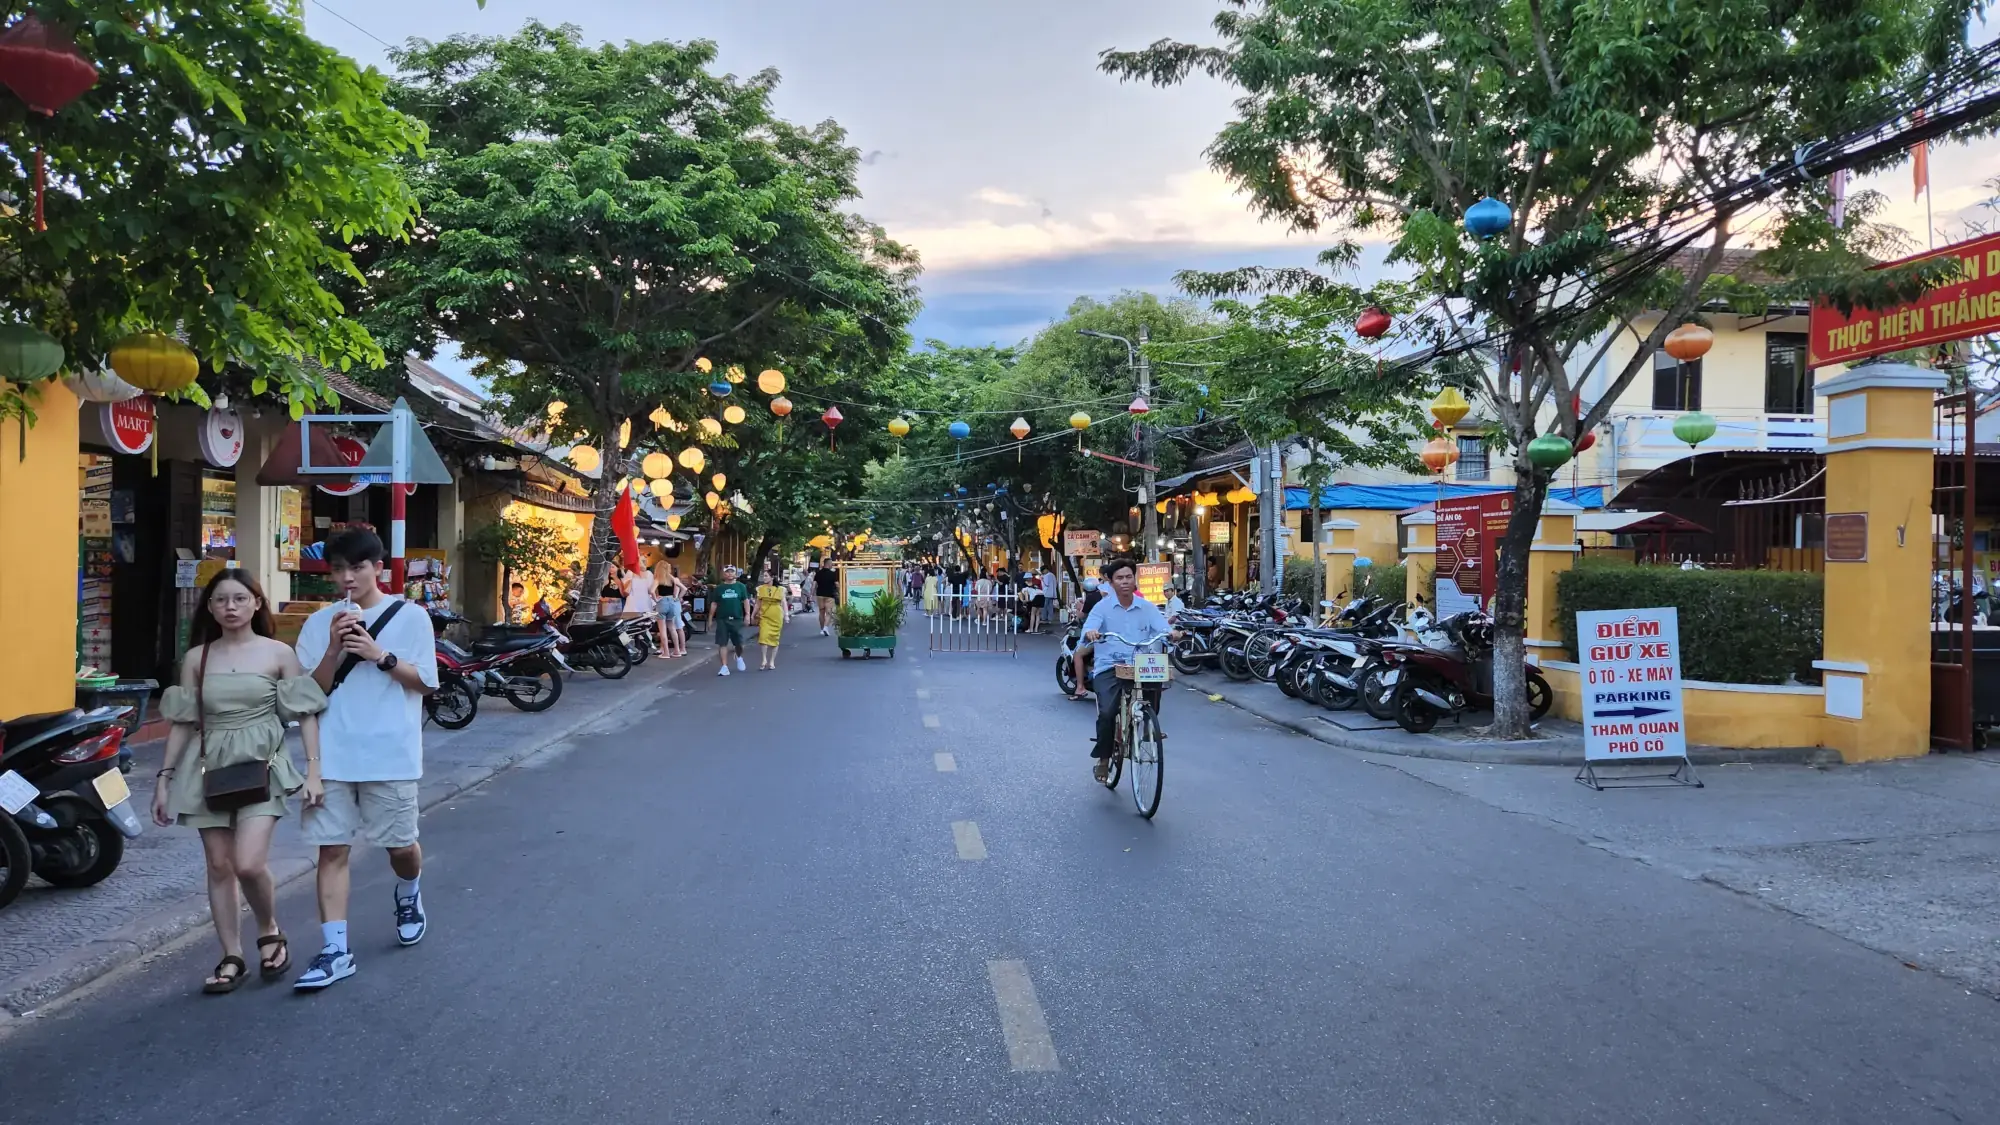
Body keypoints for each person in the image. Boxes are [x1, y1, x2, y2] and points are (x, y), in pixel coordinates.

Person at [152, 570, 326, 994]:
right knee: (218, 865)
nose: (230, 607)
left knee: (247, 863)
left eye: (239, 598)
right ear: (209, 607)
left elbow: (305, 713)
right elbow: (182, 722)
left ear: (257, 603)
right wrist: (164, 779)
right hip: (206, 767)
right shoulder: (197, 657)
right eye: (221, 600)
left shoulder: (278, 653)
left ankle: (269, 929)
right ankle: (231, 954)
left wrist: (313, 772)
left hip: (262, 764)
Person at [292, 529, 440, 992]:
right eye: (338, 569)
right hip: (332, 755)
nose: (347, 577)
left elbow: (426, 683)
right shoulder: (319, 623)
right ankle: (336, 950)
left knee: (400, 847)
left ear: (378, 568)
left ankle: (409, 891)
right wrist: (335, 649)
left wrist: (380, 655)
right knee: (331, 850)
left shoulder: (413, 617)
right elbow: (306, 695)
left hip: (390, 754)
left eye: (357, 567)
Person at [1082, 558, 1181, 782]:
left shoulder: (1146, 607)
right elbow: (1090, 626)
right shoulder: (1102, 607)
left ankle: (1146, 724)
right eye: (1119, 578)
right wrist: (1091, 633)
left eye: (1128, 577)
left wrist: (1171, 632)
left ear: (1134, 579)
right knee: (1107, 712)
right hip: (1110, 665)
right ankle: (1104, 759)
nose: (1125, 582)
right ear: (1111, 581)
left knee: (1156, 685)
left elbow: (1162, 625)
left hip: (1141, 663)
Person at [711, 565, 750, 676]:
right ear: (724, 574)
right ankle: (724, 666)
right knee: (722, 643)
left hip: (737, 618)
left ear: (735, 574)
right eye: (727, 572)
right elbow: (714, 603)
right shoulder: (719, 588)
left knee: (739, 643)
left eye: (731, 571)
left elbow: (746, 601)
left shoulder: (741, 587)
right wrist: (710, 618)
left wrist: (747, 615)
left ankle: (738, 656)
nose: (729, 574)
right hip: (722, 619)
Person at [755, 568, 787, 670]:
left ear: (772, 577)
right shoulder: (760, 588)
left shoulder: (780, 589)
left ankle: (772, 661)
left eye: (766, 576)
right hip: (764, 615)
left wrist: (786, 615)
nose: (764, 578)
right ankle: (764, 659)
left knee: (775, 638)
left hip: (776, 615)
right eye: (763, 576)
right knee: (763, 637)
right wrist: (752, 614)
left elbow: (783, 602)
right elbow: (758, 603)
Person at [814, 562, 840, 636]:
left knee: (821, 612)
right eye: (831, 563)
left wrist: (811, 594)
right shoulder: (832, 574)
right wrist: (840, 592)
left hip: (819, 595)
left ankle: (822, 629)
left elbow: (814, 584)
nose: (832, 565)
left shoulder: (818, 573)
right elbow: (837, 585)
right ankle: (825, 627)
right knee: (829, 612)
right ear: (828, 564)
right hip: (829, 595)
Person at [1040, 565, 1060, 632]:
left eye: (1043, 571)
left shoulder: (1047, 576)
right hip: (1052, 593)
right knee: (1050, 606)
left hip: (1046, 593)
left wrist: (1042, 579)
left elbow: (1046, 584)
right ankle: (1050, 619)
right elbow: (1056, 584)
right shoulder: (1053, 575)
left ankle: (1044, 618)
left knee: (1045, 606)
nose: (1043, 572)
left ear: (1046, 569)